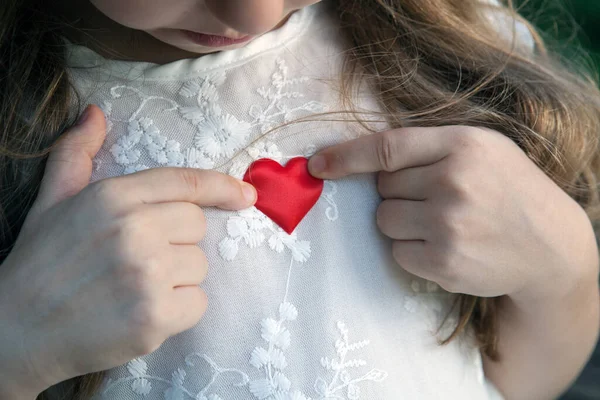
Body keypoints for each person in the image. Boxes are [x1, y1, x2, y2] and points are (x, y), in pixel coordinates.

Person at [0, 0, 598, 399]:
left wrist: (564, 269)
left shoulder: (444, 48)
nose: (251, 9)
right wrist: (16, 347)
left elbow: (513, 385)